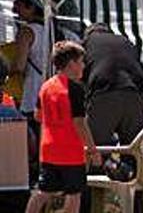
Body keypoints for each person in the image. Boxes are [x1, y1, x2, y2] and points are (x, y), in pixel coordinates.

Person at [25, 41, 101, 213]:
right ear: (72, 63)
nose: (83, 66)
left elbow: (37, 115)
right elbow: (79, 123)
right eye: (81, 62)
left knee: (43, 191)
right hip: (70, 152)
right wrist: (92, 150)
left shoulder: (46, 86)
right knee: (74, 195)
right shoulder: (75, 89)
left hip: (48, 150)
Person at [82, 24, 143, 145]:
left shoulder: (87, 44)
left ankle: (95, 164)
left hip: (105, 93)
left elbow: (80, 75)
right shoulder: (126, 41)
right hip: (135, 94)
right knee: (131, 149)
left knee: (95, 148)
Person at [10, 0, 49, 132]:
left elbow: (18, 66)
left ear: (31, 7)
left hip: (31, 95)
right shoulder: (51, 29)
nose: (15, 8)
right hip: (49, 92)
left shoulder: (26, 32)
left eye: (19, 4)